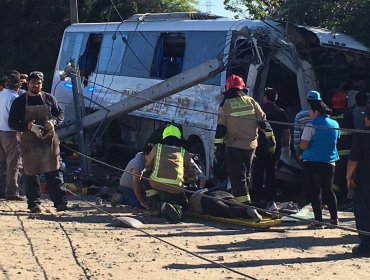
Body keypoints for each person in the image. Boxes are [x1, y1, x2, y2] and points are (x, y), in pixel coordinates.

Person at [8, 71, 67, 213]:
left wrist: (54, 121)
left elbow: (60, 114)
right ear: (28, 83)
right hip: (30, 144)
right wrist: (27, 126)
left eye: (38, 82)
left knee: (54, 172)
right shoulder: (19, 102)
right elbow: (12, 122)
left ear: (42, 84)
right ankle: (34, 204)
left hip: (49, 143)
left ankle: (60, 202)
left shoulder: (49, 98)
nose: (35, 85)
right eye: (33, 82)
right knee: (31, 174)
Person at [214, 74, 270, 204]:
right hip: (251, 147)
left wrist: (217, 149)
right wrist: (271, 140)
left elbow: (221, 130)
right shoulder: (252, 101)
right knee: (246, 175)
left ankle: (244, 207)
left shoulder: (225, 104)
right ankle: (243, 200)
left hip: (234, 146)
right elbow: (264, 123)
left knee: (237, 176)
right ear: (242, 88)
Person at [299, 91, 339, 228]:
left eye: (310, 110)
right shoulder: (335, 124)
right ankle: (334, 220)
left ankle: (318, 221)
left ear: (315, 111)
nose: (309, 113)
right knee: (328, 190)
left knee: (316, 192)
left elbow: (304, 145)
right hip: (329, 162)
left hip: (312, 162)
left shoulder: (311, 125)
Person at [145, 125, 196, 223]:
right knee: (185, 206)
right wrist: (191, 181)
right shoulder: (183, 152)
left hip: (156, 184)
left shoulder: (157, 147)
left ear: (164, 137)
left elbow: (147, 165)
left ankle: (155, 206)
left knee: (145, 176)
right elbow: (191, 172)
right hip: (176, 188)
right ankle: (178, 211)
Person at [346, 106, 370, 257]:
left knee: (363, 211)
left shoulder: (362, 134)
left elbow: (353, 159)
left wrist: (349, 177)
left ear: (367, 118)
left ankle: (366, 246)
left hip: (366, 179)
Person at [0, 71, 22, 200]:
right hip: (10, 132)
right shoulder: (15, 98)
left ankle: (1, 189)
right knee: (13, 163)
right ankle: (12, 191)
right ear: (18, 85)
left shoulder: (1, 95)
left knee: (1, 163)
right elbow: (16, 118)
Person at [111, 144, 152, 209]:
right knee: (139, 204)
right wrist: (142, 202)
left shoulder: (145, 160)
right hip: (126, 188)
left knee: (149, 202)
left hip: (135, 188)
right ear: (147, 154)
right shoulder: (138, 164)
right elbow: (136, 185)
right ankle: (119, 198)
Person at [188, 188, 262, 222]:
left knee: (226, 210)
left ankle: (246, 211)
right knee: (239, 204)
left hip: (207, 199)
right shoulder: (195, 189)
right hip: (220, 191)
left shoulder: (186, 194)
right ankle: (267, 206)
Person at [331, 91, 353, 199]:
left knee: (336, 178)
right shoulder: (348, 114)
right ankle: (347, 197)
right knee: (347, 176)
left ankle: (337, 198)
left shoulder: (330, 116)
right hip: (347, 153)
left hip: (334, 153)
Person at [261, 87, 291, 162]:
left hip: (261, 144)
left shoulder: (259, 110)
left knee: (258, 169)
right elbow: (286, 132)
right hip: (276, 145)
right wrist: (287, 146)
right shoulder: (281, 113)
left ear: (265, 97)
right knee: (271, 169)